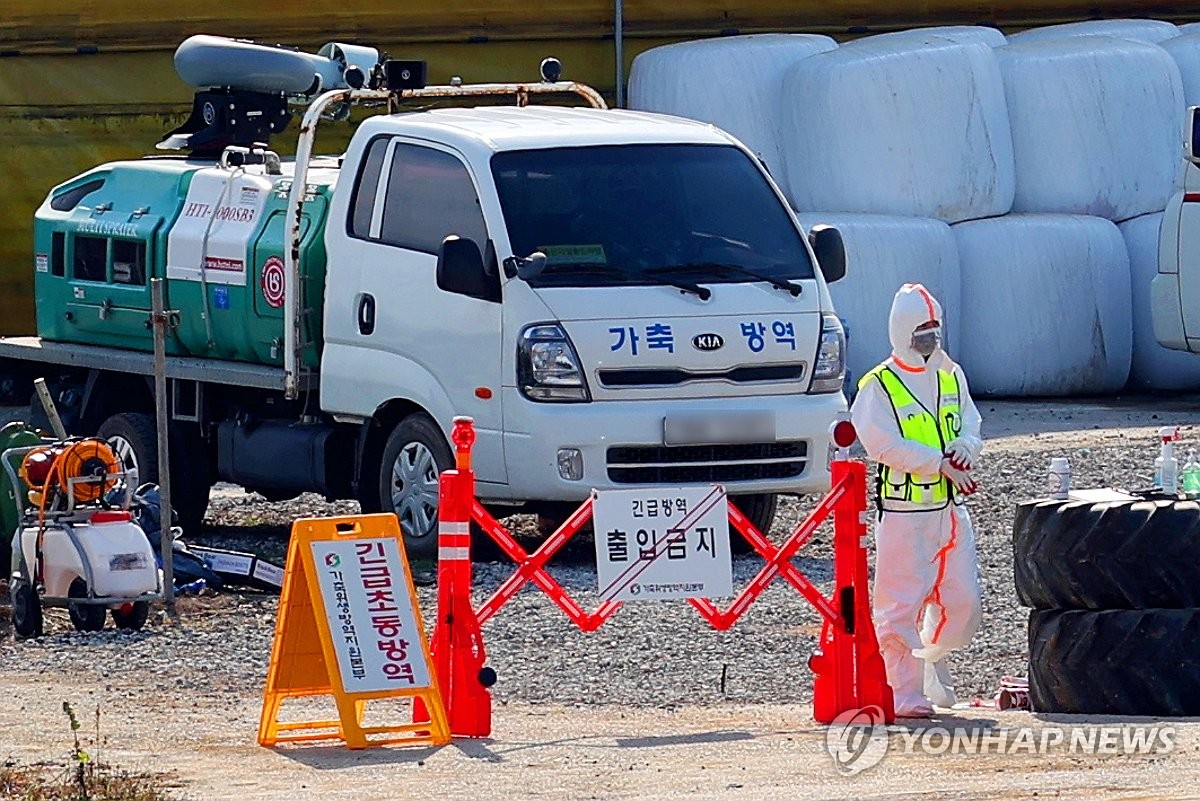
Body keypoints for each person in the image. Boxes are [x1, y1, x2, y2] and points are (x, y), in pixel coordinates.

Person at [849, 283, 983, 718]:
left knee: (964, 602)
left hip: (950, 509)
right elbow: (881, 444)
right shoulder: (878, 385)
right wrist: (935, 464)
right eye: (922, 327)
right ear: (903, 330)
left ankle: (930, 658)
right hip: (906, 513)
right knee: (898, 605)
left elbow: (971, 421)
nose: (931, 335)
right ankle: (905, 693)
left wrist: (967, 446)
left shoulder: (950, 373)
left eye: (935, 326)